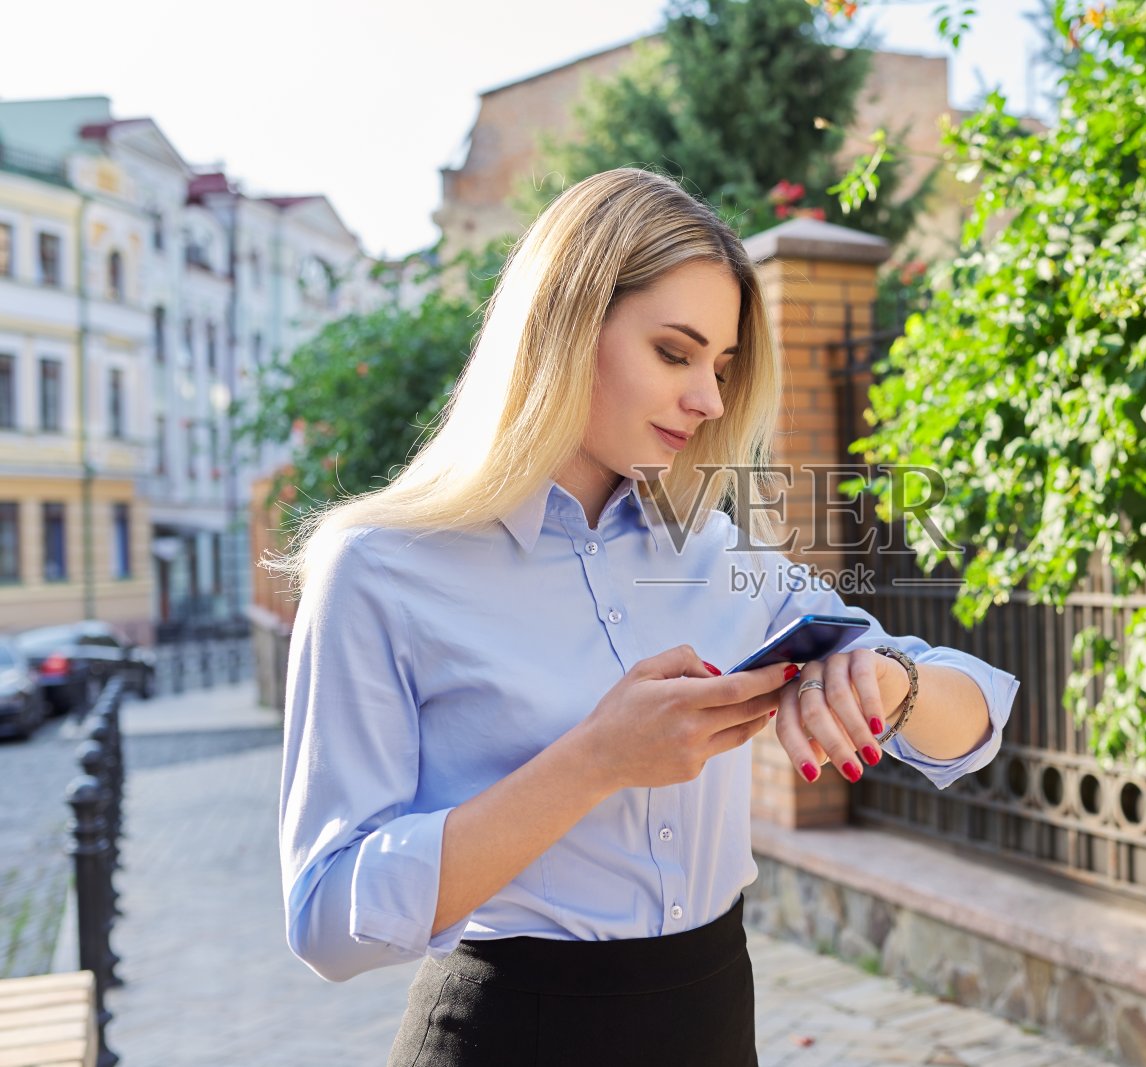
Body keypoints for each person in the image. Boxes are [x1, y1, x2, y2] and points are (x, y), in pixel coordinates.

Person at [269, 168, 1019, 1066]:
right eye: (676, 352)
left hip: (711, 1021)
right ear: (566, 325)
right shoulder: (381, 566)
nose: (708, 397)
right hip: (510, 1036)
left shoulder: (714, 549)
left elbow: (975, 718)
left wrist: (890, 684)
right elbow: (325, 919)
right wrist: (595, 760)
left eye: (723, 367)